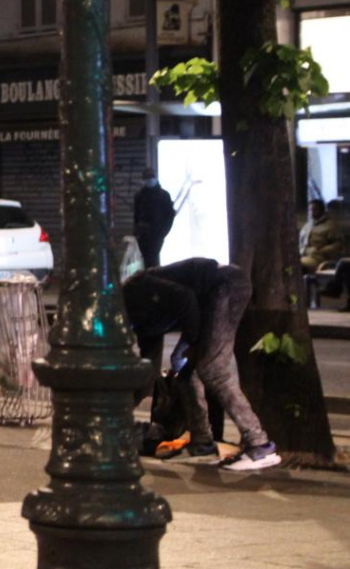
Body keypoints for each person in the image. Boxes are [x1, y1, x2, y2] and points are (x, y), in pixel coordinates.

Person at [124, 257, 281, 471]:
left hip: (225, 286)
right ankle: (202, 444)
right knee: (184, 371)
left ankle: (259, 445)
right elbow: (148, 370)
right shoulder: (138, 324)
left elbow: (186, 298)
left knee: (212, 369)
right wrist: (122, 409)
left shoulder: (135, 290)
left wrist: (193, 342)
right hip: (206, 304)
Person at [132, 170, 177, 269]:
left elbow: (169, 216)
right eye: (147, 178)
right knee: (147, 259)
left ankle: (152, 278)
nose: (150, 181)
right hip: (143, 234)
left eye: (151, 178)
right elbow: (136, 215)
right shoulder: (139, 196)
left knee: (152, 258)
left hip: (157, 233)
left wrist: (163, 232)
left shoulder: (164, 195)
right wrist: (136, 231)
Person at [301, 198, 346, 272]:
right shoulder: (307, 226)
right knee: (288, 267)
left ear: (321, 210)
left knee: (298, 266)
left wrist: (321, 250)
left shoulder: (330, 226)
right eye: (310, 210)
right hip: (303, 255)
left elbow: (338, 244)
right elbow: (300, 243)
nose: (312, 212)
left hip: (319, 259)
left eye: (315, 209)